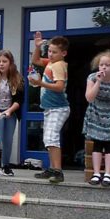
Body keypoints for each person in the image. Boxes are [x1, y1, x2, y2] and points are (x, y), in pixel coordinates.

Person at [30, 32, 69, 183]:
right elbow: (36, 60)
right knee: (48, 139)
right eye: (50, 51)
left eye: (54, 52)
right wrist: (38, 47)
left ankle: (58, 171)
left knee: (52, 138)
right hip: (50, 108)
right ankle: (53, 169)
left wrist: (40, 83)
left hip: (58, 108)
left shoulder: (58, 65)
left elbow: (59, 87)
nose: (51, 54)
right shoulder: (51, 63)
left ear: (63, 53)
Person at [84, 50, 110, 187]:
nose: (103, 67)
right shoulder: (92, 77)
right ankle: (96, 173)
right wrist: (98, 82)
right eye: (101, 64)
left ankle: (108, 174)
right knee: (97, 144)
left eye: (107, 65)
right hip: (95, 113)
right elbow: (89, 98)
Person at [0, 50, 24, 177]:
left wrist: (9, 111)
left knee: (8, 139)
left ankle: (6, 165)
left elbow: (19, 100)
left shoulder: (17, 79)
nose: (1, 64)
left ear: (10, 63)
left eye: (4, 61)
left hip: (10, 112)